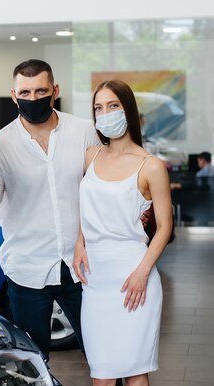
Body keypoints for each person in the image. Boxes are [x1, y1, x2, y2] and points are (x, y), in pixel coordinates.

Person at [0, 59, 100, 360]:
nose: (33, 99)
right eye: (25, 93)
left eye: (41, 91)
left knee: (102, 355)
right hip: (27, 270)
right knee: (31, 361)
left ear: (55, 90)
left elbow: (102, 191)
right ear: (14, 95)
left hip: (83, 267)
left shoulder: (84, 132)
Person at [73, 79, 172, 386]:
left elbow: (165, 227)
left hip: (133, 276)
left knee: (134, 375)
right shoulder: (91, 156)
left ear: (127, 109)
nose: (105, 113)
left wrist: (143, 272)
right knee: (101, 377)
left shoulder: (150, 166)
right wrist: (80, 243)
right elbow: (84, 206)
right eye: (98, 108)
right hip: (96, 279)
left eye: (113, 105)